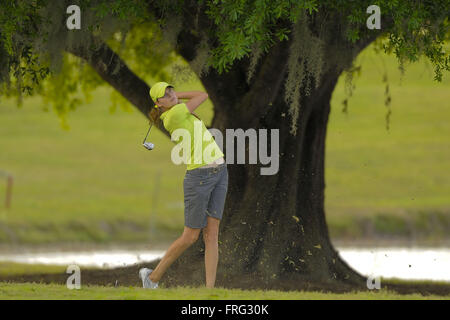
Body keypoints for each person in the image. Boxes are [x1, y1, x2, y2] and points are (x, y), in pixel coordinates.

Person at [139, 82, 228, 289]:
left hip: (220, 172)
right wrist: (179, 96)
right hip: (199, 177)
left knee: (212, 234)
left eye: (171, 90)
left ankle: (210, 290)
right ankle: (151, 279)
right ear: (157, 103)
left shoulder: (178, 111)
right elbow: (202, 95)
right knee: (190, 236)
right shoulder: (173, 115)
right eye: (165, 94)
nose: (170, 95)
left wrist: (174, 96)